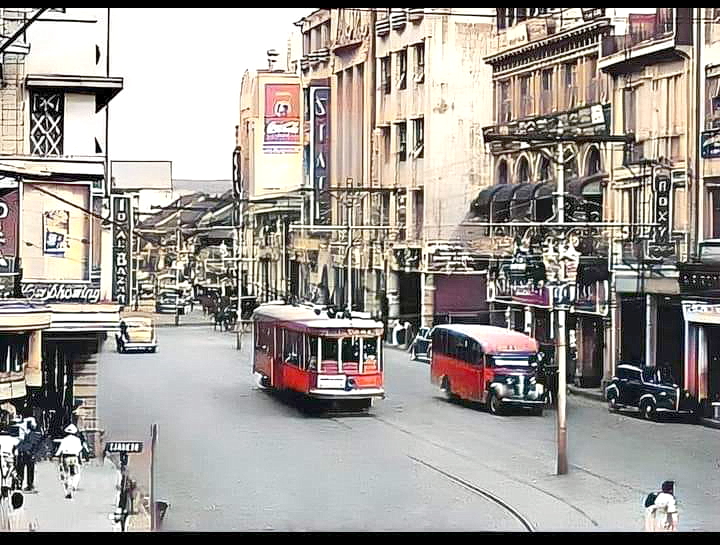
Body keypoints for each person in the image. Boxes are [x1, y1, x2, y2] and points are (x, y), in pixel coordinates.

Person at [54, 424, 86, 499]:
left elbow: (60, 450)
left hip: (66, 457)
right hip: (74, 457)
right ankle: (74, 485)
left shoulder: (64, 439)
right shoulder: (77, 440)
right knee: (76, 473)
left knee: (66, 473)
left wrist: (56, 455)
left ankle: (68, 486)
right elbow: (79, 449)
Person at [16, 421, 42, 493]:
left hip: (23, 453)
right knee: (30, 470)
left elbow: (20, 444)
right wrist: (36, 454)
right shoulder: (36, 435)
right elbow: (37, 446)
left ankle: (19, 484)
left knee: (20, 470)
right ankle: (29, 485)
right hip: (30, 455)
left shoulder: (25, 434)